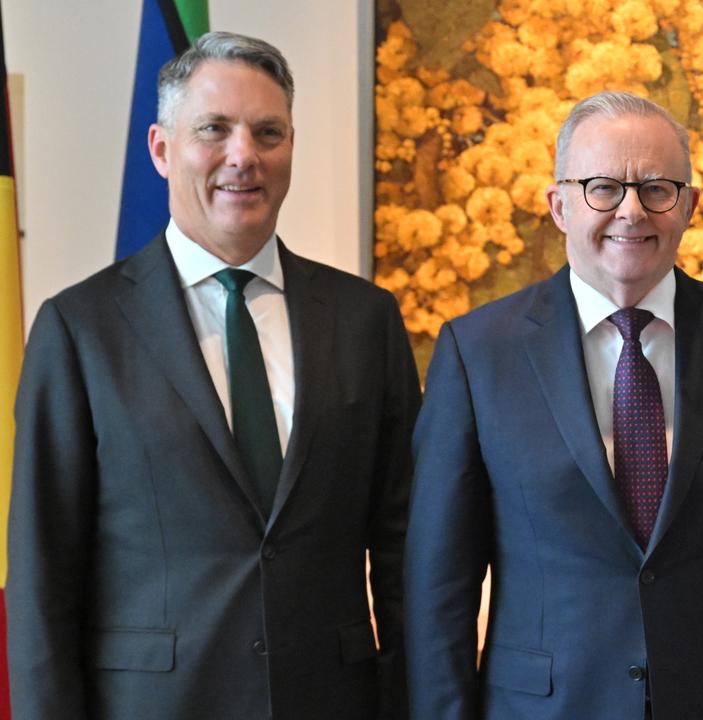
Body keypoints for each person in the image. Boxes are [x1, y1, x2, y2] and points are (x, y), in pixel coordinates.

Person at [6, 32, 420, 719]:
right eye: (214, 129)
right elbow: (43, 575)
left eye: (268, 132)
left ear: (291, 146)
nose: (243, 155)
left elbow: (407, 545)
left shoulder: (366, 320)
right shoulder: (80, 330)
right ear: (161, 149)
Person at [404, 91, 703, 720]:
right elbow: (438, 589)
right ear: (559, 206)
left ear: (689, 206)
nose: (631, 210)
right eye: (603, 188)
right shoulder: (477, 353)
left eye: (657, 189)